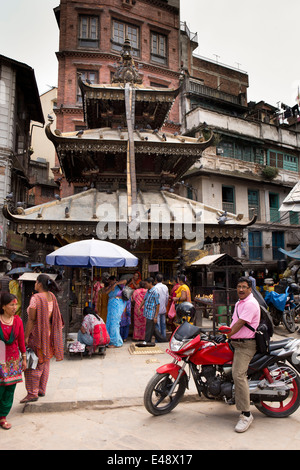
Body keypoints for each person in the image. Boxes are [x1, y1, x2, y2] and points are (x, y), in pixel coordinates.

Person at [21, 274, 64, 404]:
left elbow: (32, 319)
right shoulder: (52, 296)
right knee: (45, 362)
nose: (35, 284)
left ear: (39, 283)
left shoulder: (36, 298)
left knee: (33, 363)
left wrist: (26, 336)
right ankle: (41, 389)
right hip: (49, 335)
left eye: (35, 282)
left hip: (37, 335)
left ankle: (32, 393)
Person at [227, 276, 260, 433]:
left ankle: (246, 414)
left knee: (238, 375)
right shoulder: (240, 303)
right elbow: (234, 322)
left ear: (250, 289)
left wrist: (227, 334)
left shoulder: (251, 304)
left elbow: (240, 324)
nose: (240, 289)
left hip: (245, 345)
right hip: (236, 342)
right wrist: (225, 332)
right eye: (238, 286)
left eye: (244, 287)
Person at [0, 293, 26, 430]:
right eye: (11, 305)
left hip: (13, 359)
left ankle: (3, 416)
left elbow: (21, 341)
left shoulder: (18, 321)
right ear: (3, 307)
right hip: (0, 355)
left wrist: (24, 358)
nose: (14, 307)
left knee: (10, 389)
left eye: (15, 304)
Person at [139, 277, 166, 343]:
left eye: (146, 284)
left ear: (150, 283)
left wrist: (156, 316)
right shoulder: (148, 291)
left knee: (149, 328)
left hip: (151, 313)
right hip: (147, 312)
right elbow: (144, 299)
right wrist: (139, 308)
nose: (145, 285)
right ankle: (162, 339)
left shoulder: (155, 292)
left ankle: (147, 341)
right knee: (153, 328)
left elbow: (158, 304)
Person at [105, 276, 127, 348]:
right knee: (109, 323)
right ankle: (110, 340)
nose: (110, 283)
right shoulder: (110, 287)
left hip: (117, 304)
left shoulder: (120, 285)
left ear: (114, 280)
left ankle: (117, 342)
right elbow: (106, 292)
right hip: (111, 305)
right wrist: (111, 286)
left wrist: (115, 284)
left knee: (115, 323)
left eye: (111, 281)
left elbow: (125, 281)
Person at [154, 273, 169, 339]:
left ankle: (159, 338)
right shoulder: (165, 287)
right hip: (163, 308)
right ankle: (164, 337)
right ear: (162, 280)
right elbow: (167, 297)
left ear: (156, 280)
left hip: (157, 309)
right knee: (163, 324)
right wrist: (165, 305)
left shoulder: (155, 288)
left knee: (158, 324)